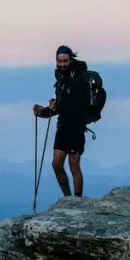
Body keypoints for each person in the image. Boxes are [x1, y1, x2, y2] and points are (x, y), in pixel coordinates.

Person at [32, 45, 90, 198]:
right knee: (56, 165)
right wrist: (45, 111)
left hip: (76, 127)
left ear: (71, 60)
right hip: (63, 126)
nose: (62, 64)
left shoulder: (79, 77)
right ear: (56, 61)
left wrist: (53, 108)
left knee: (73, 165)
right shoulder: (61, 77)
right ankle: (68, 198)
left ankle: (77, 201)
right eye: (60, 61)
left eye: (65, 61)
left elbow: (73, 105)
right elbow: (61, 105)